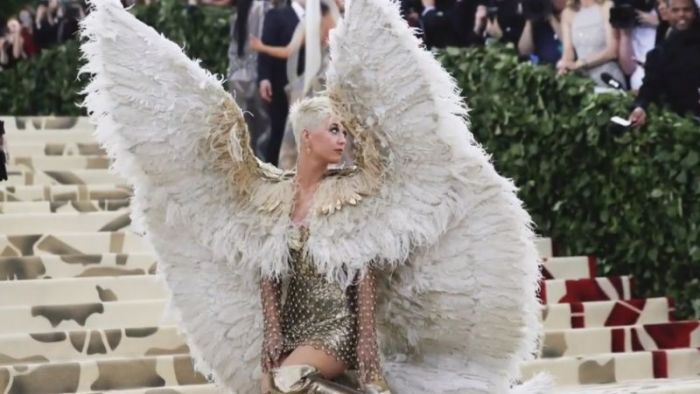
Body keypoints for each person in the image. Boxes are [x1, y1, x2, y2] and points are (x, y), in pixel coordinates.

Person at [81, 0, 548, 393]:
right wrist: (269, 341)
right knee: (273, 382)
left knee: (288, 382)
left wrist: (368, 363)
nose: (343, 140)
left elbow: (362, 285)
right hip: (291, 332)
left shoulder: (354, 196)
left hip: (334, 333)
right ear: (307, 138)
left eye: (345, 131)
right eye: (333, 131)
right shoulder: (268, 197)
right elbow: (268, 276)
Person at [250, 0, 340, 169]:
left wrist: (262, 47)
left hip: (318, 79)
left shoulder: (311, 23)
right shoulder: (334, 19)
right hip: (326, 78)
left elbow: (288, 51)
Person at [202, 0, 273, 159]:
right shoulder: (261, 9)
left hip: (238, 75)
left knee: (243, 125)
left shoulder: (241, 13)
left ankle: (245, 162)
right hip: (256, 75)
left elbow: (234, 51)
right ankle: (259, 163)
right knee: (261, 126)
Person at [629, 0, 700, 126]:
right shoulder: (659, 53)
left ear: (695, 12)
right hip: (676, 125)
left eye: (686, 10)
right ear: (667, 13)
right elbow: (648, 88)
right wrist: (640, 107)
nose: (681, 14)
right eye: (675, 10)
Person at [258, 0, 305, 166]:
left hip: (309, 87)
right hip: (281, 85)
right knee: (279, 130)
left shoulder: (320, 18)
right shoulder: (277, 16)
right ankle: (272, 171)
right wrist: (264, 78)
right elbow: (265, 49)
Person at [557, 0, 627, 88]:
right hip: (583, 83)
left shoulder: (607, 6)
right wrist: (565, 65)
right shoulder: (567, 13)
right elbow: (568, 49)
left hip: (608, 77)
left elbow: (612, 51)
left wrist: (581, 64)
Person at [518, 0, 566, 65]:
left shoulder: (571, 15)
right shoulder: (537, 23)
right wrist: (529, 19)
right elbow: (524, 52)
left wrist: (550, 17)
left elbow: (567, 41)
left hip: (566, 67)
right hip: (543, 67)